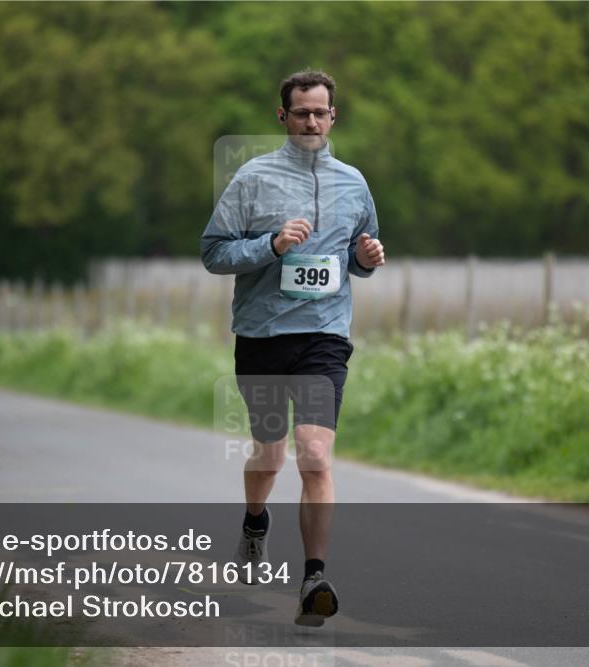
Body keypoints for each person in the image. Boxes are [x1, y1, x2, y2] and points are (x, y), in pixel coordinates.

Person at [200, 71, 385, 626]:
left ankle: (314, 577)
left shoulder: (353, 181)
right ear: (283, 117)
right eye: (301, 113)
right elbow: (213, 253)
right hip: (260, 334)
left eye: (320, 113)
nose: (311, 122)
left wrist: (367, 259)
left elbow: (359, 253)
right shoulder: (252, 179)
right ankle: (256, 520)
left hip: (324, 336)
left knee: (315, 453)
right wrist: (273, 245)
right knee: (271, 452)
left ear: (334, 118)